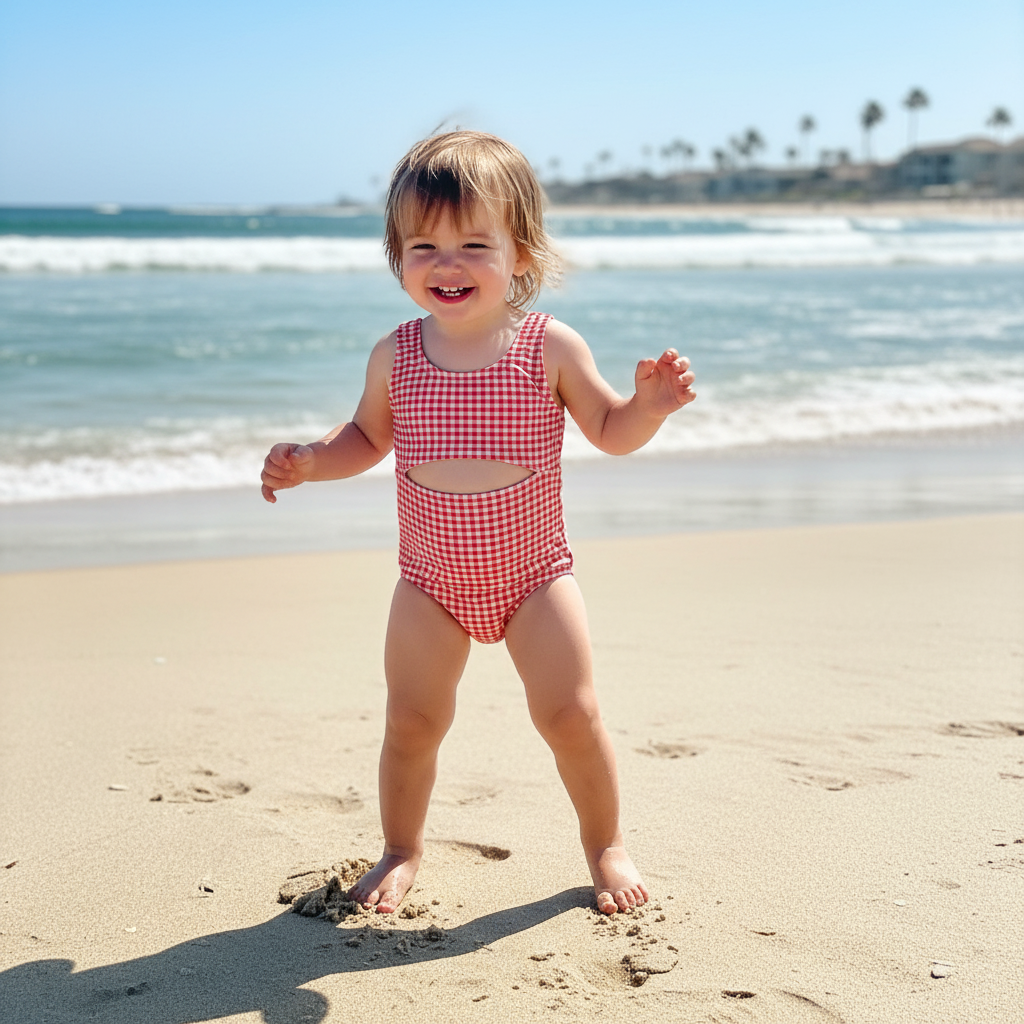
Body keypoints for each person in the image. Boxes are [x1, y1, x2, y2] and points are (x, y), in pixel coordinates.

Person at [260, 131, 695, 915]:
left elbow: (610, 431)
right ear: (397, 255)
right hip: (429, 582)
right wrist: (309, 461)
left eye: (472, 244)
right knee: (412, 721)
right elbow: (364, 438)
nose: (445, 264)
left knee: (571, 714)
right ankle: (400, 848)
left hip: (535, 577)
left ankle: (606, 846)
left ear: (521, 253)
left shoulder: (547, 347)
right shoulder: (397, 355)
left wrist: (649, 409)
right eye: (422, 245)